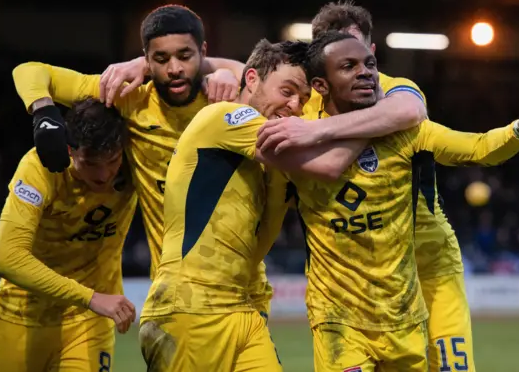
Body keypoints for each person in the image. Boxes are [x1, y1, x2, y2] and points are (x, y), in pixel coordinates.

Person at [255, 1, 519, 372]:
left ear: (373, 53)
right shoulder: (298, 113)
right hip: (341, 296)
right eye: (344, 60)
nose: (361, 71)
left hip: (426, 263)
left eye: (365, 60)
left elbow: (474, 145)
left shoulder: (398, 99)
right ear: (318, 72)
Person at [11, 4, 273, 316]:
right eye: (160, 59)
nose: (174, 68)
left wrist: (222, 69)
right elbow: (29, 71)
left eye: (185, 56)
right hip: (178, 296)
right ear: (146, 59)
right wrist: (43, 112)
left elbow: (270, 83)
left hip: (247, 290)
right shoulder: (129, 99)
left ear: (202, 51)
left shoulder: (229, 97)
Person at [138, 39, 370, 371]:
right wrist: (371, 116)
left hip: (242, 309)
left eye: (302, 100)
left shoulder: (271, 166)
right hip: (190, 307)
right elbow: (330, 164)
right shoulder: (226, 115)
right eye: (286, 91)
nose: (294, 105)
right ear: (251, 80)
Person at [0, 98, 137, 372]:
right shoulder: (40, 167)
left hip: (89, 321)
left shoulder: (135, 162)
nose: (104, 175)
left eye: (113, 160)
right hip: (23, 316)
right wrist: (91, 297)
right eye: (91, 163)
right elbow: (5, 258)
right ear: (70, 150)